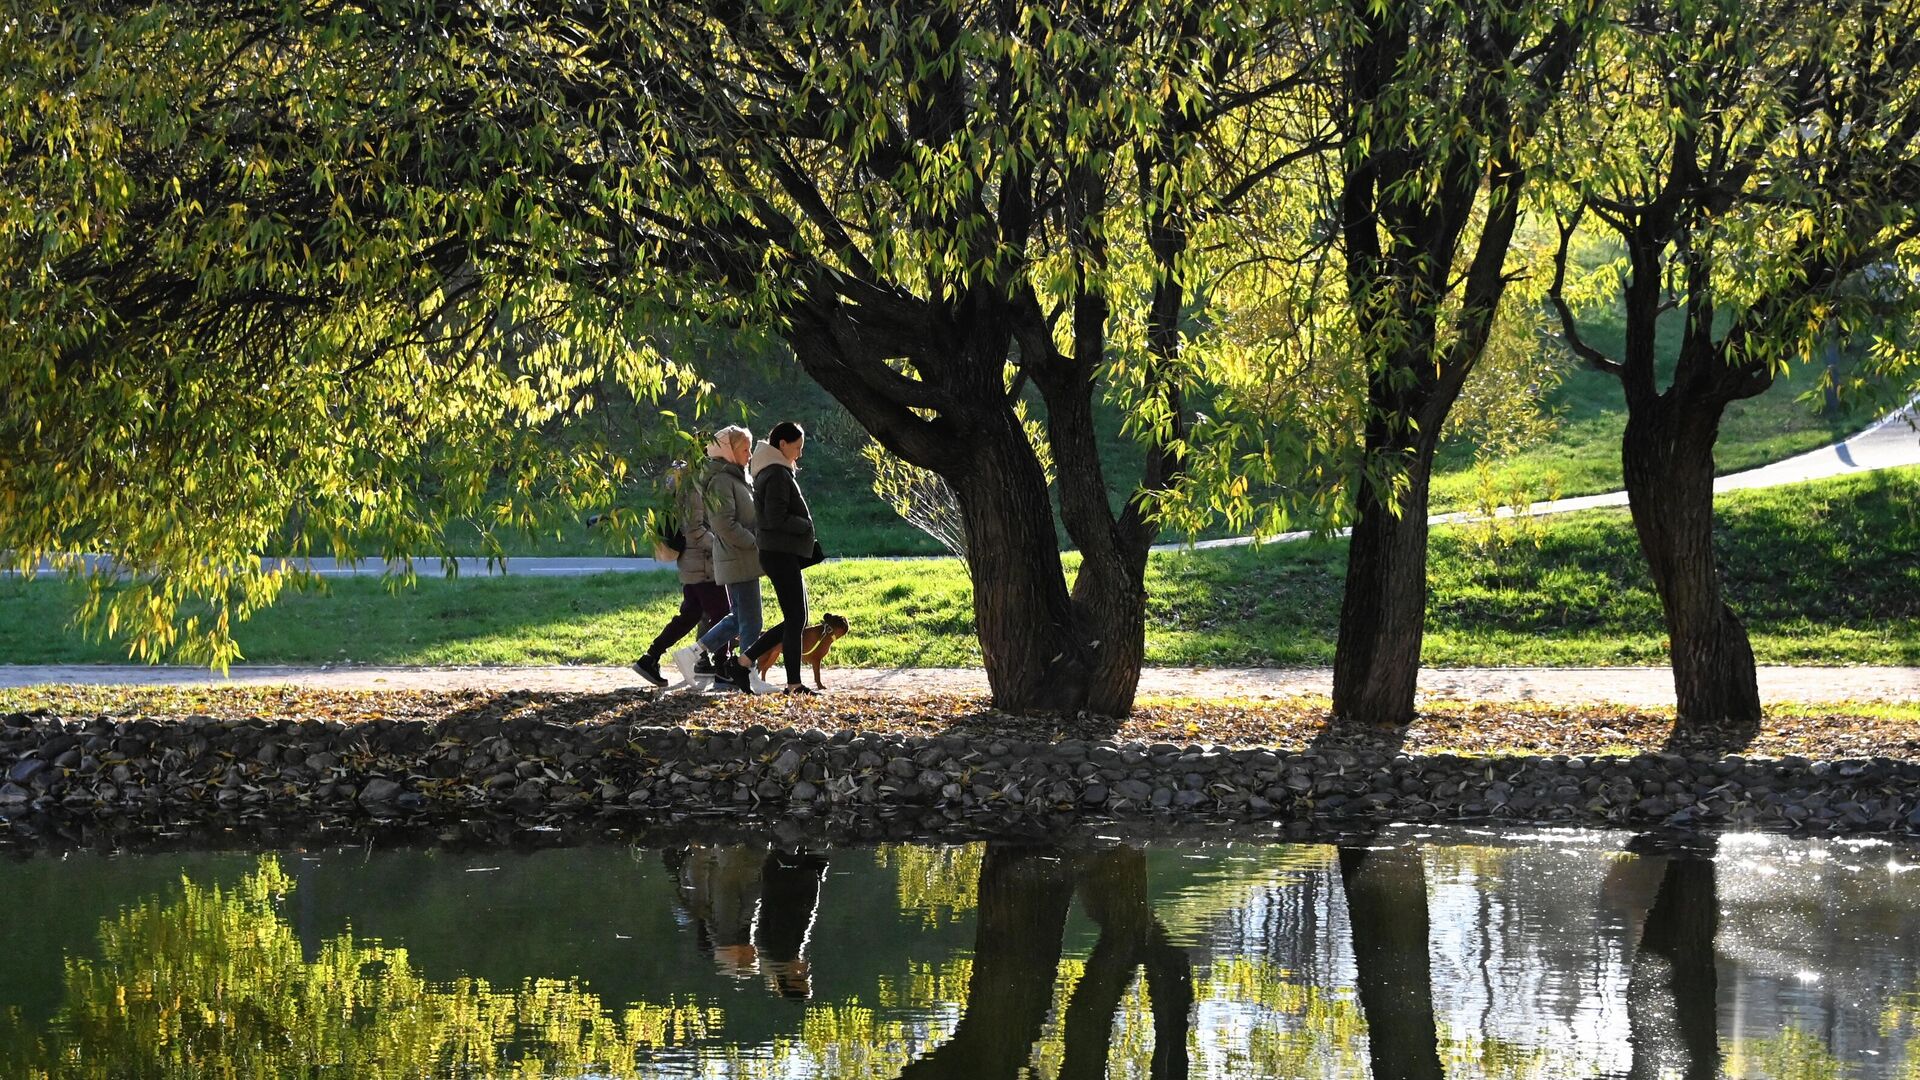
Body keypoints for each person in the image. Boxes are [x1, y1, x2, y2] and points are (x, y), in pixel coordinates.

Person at [676, 426, 775, 692]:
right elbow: (724, 524)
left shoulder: (735, 476)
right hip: (737, 558)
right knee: (751, 620)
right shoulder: (721, 480)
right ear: (729, 450)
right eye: (744, 449)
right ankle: (748, 673)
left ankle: (693, 653)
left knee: (739, 618)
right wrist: (756, 543)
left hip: (742, 558)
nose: (749, 455)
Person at [631, 456, 729, 686]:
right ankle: (722, 665)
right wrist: (721, 546)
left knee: (691, 614)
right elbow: (694, 529)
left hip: (690, 561)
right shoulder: (694, 486)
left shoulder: (681, 482)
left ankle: (651, 657)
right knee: (724, 614)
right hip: (702, 562)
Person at [743, 421, 819, 695]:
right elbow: (775, 518)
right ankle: (793, 683)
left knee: (797, 618)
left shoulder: (773, 469)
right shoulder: (776, 473)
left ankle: (744, 661)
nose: (799, 453)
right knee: (796, 617)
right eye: (797, 447)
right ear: (782, 444)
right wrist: (805, 525)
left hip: (779, 552)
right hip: (779, 552)